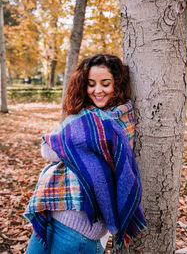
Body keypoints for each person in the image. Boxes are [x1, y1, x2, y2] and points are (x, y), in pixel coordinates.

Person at [24, 54, 146, 254]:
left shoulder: (117, 120)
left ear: (118, 84)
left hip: (79, 229)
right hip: (53, 213)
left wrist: (68, 130)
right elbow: (48, 149)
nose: (97, 90)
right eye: (91, 84)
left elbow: (49, 149)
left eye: (105, 84)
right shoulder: (84, 116)